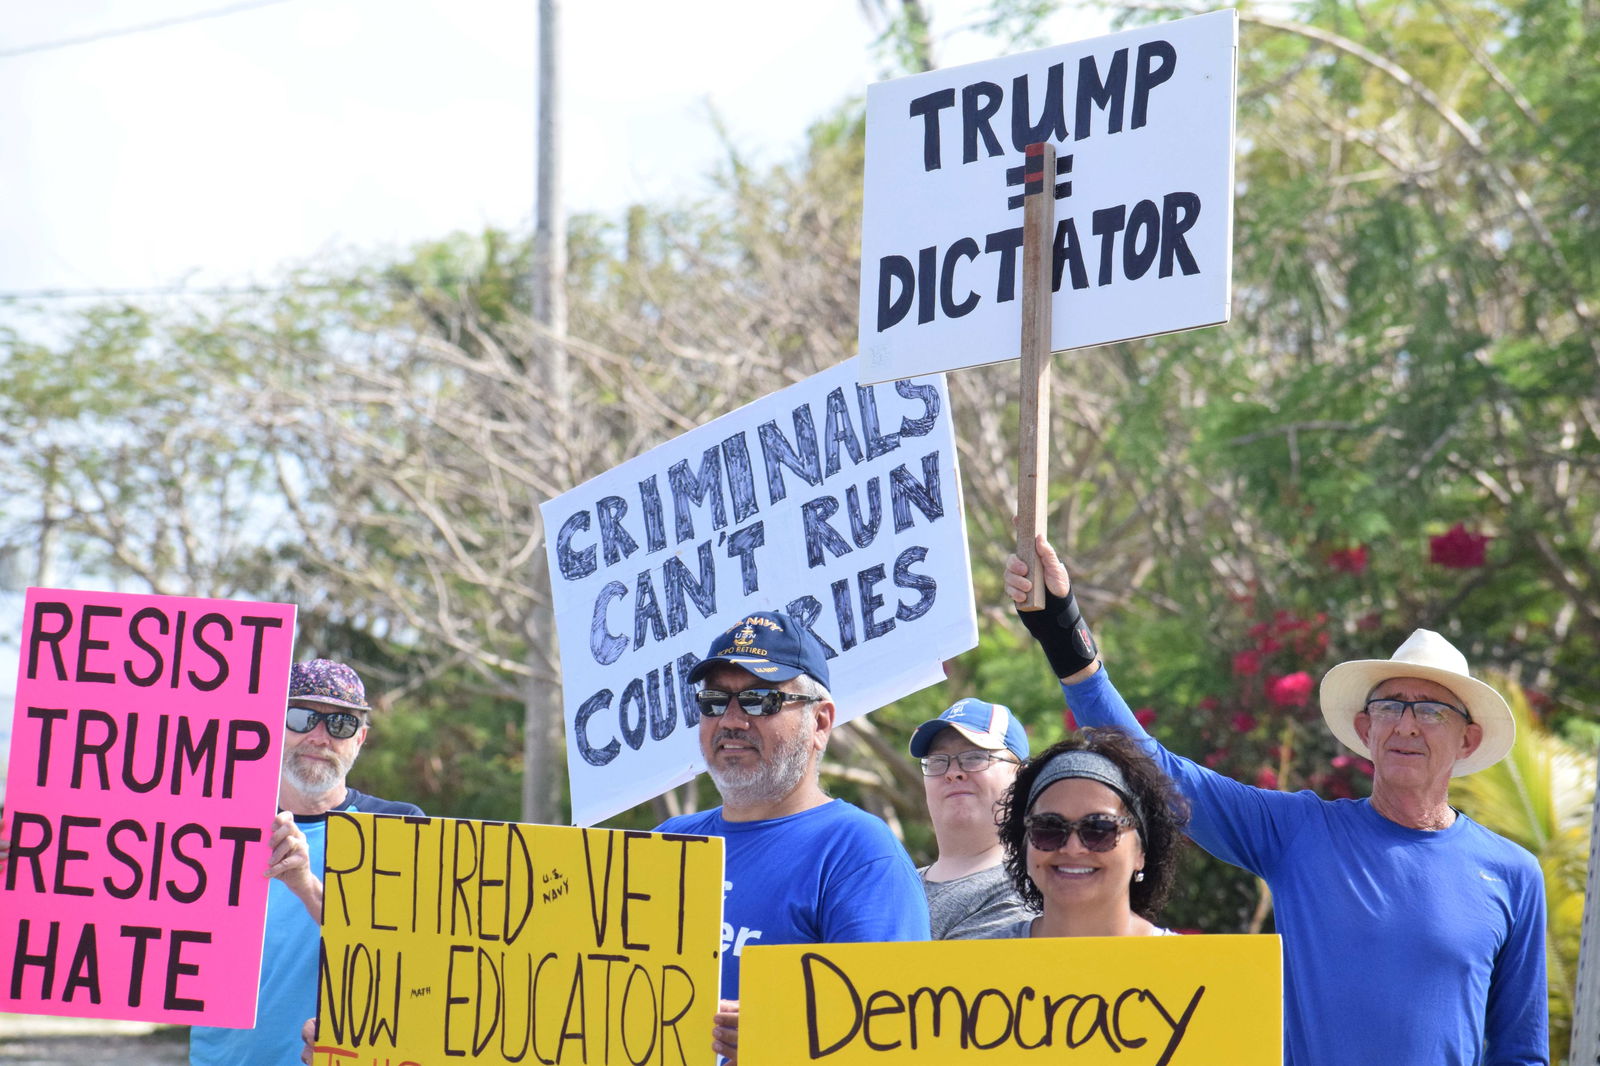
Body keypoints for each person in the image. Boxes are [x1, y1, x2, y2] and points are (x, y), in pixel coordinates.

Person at [1005, 535, 1548, 1066]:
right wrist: (1065, 636)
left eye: (1431, 711)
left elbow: (1521, 1052)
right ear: (1365, 727)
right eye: (1390, 707)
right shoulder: (1299, 832)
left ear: (1468, 741)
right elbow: (1160, 773)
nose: (1407, 725)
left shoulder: (1513, 873)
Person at [654, 610, 930, 1064]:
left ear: (820, 723)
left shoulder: (859, 853)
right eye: (714, 701)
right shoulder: (669, 842)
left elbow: (893, 1036)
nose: (732, 720)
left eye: (760, 700)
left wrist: (784, 1037)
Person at [191, 658, 424, 1066]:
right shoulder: (214, 825)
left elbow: (406, 949)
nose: (319, 737)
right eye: (302, 718)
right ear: (271, 725)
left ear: (361, 739)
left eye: (341, 725)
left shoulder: (398, 826)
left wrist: (305, 885)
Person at [993, 729, 1188, 938]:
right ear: (1025, 846)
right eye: (1048, 828)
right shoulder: (972, 965)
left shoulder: (1192, 966)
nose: (1073, 848)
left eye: (1099, 829)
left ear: (1141, 853)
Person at [906, 698, 1035, 938]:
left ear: (1023, 778)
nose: (953, 773)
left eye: (975, 757)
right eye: (937, 761)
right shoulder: (896, 883)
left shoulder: (1024, 891)